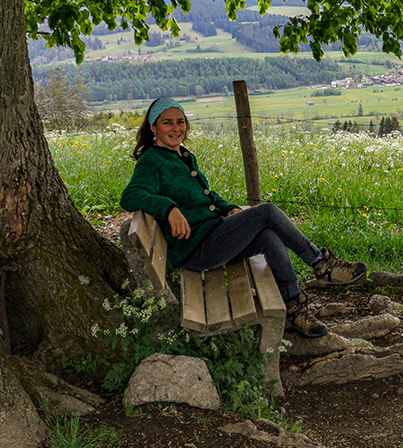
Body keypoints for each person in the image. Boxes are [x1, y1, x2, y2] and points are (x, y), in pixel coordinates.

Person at [120, 97, 366, 337]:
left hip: (211, 235)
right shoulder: (151, 161)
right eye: (167, 123)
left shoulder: (181, 155)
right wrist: (169, 208)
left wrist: (227, 208)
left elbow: (205, 196)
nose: (176, 128)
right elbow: (131, 196)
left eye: (180, 121)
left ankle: (293, 308)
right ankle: (321, 264)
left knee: (269, 236)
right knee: (267, 212)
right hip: (196, 248)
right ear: (153, 127)